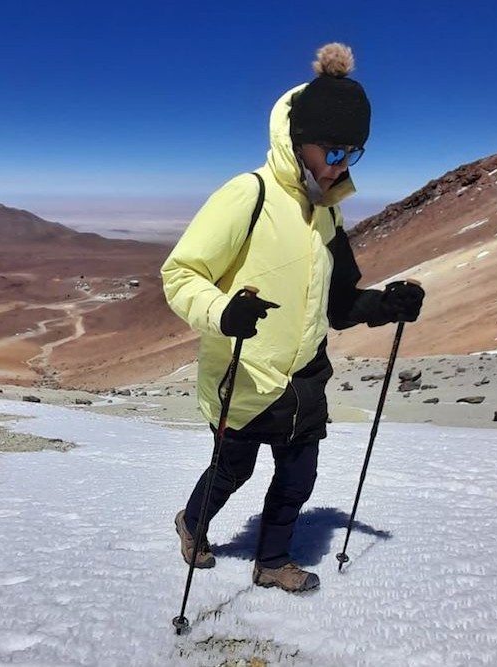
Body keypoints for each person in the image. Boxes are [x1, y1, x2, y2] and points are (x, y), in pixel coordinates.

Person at [161, 43, 425, 593]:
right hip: (245, 375)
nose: (340, 166)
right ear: (298, 140)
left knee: (297, 478)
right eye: (332, 152)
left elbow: (339, 300)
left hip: (305, 377)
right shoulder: (248, 194)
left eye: (352, 154)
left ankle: (272, 561)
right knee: (232, 470)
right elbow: (181, 274)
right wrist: (223, 311)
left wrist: (386, 305)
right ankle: (192, 523)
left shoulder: (327, 214)